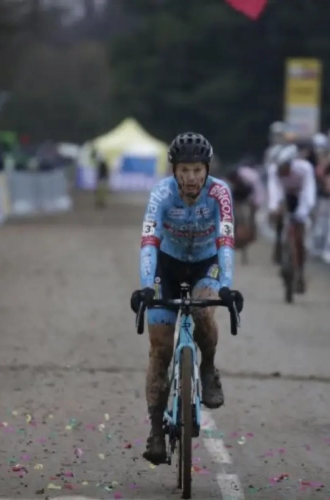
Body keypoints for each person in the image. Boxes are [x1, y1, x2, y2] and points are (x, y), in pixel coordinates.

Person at [129, 132, 243, 465]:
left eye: (197, 170)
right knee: (160, 350)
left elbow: (225, 241)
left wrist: (227, 287)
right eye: (184, 170)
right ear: (174, 171)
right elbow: (149, 240)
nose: (191, 177)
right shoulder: (161, 193)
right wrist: (148, 286)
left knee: (205, 314)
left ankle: (207, 369)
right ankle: (155, 429)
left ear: (206, 170)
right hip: (167, 265)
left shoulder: (220, 193)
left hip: (206, 265)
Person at [267, 144, 317, 293]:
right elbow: (274, 190)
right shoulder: (274, 170)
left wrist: (303, 212)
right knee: (278, 215)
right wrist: (274, 207)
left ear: (290, 164)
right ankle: (279, 242)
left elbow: (309, 192)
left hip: (300, 196)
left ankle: (300, 272)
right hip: (285, 195)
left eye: (284, 168)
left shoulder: (305, 168)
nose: (281, 171)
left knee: (300, 235)